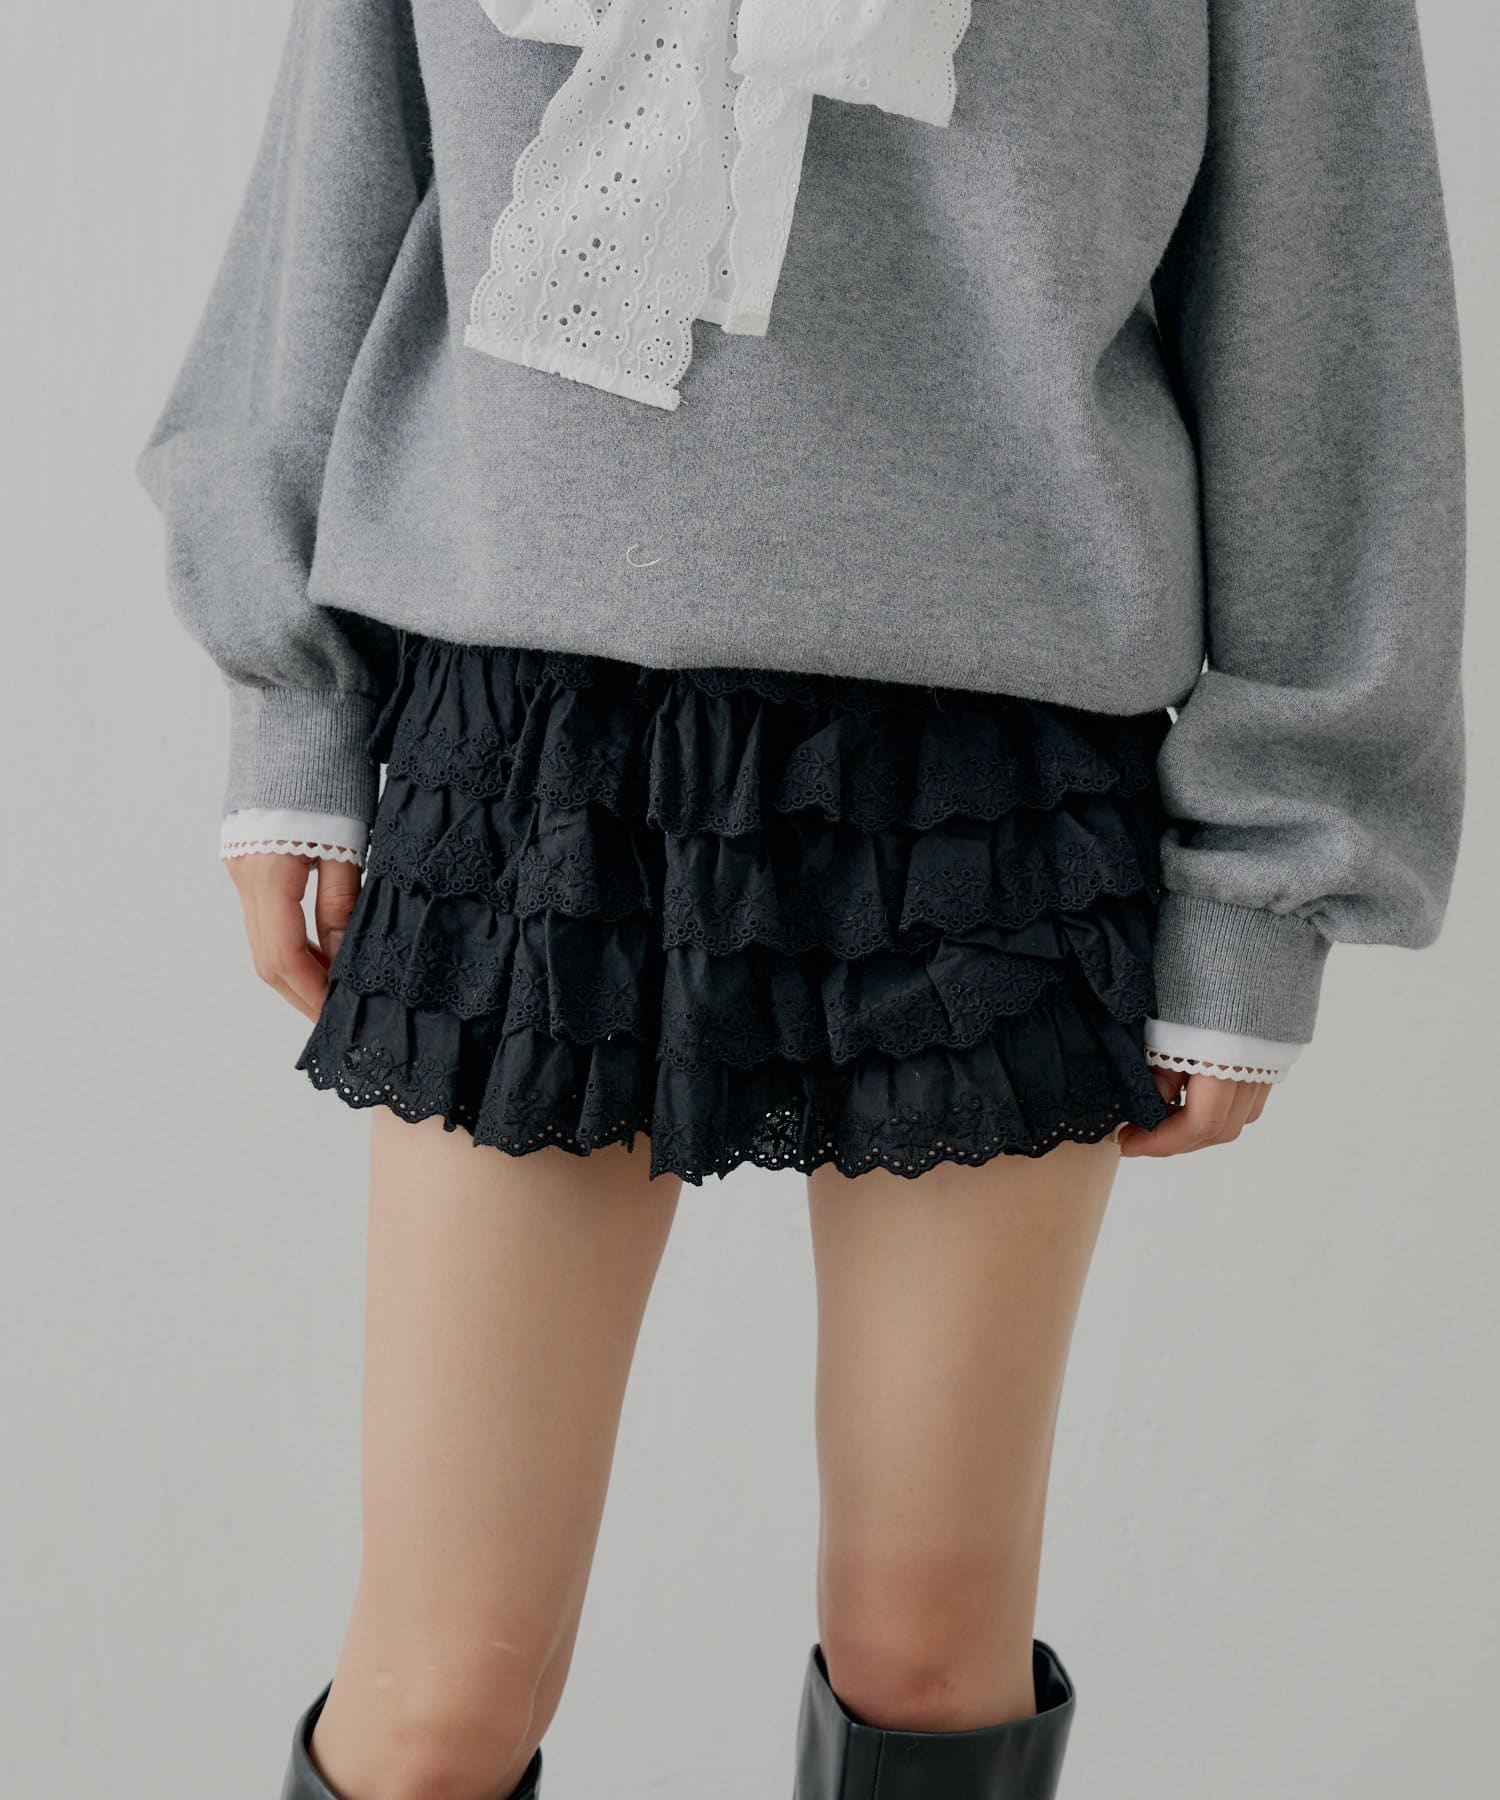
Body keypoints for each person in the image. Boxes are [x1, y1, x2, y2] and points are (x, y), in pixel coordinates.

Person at [139, 4, 1465, 1796]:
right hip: (528, 731)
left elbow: (1329, 302)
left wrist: (1274, 869)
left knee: (930, 1652)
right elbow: (338, 163)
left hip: (993, 764)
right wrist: (290, 703)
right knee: (440, 1697)